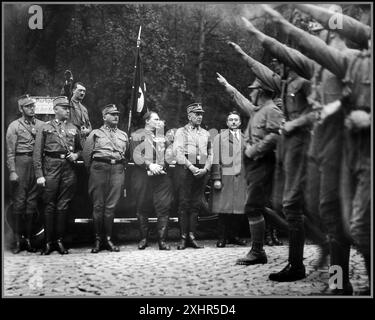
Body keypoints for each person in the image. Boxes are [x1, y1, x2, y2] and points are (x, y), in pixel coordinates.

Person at [227, 38, 313, 280]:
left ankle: (279, 256)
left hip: (288, 156)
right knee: (280, 207)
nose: (277, 66)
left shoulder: (296, 89)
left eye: (280, 62)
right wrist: (242, 55)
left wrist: (256, 150)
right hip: (274, 160)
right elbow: (260, 71)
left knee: (284, 208)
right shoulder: (278, 91)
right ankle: (294, 256)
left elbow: (279, 133)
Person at [216, 74, 284, 265]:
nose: (251, 92)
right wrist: (227, 85)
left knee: (256, 207)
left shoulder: (272, 110)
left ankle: (259, 250)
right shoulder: (257, 110)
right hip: (255, 167)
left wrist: (252, 151)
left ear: (261, 92)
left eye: (253, 89)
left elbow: (274, 136)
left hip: (265, 164)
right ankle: (260, 248)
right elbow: (239, 98)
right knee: (256, 207)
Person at [33, 96, 82, 255]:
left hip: (68, 168)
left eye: (68, 108)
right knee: (49, 205)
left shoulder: (74, 128)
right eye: (64, 108)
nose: (67, 110)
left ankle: (60, 241)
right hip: (51, 167)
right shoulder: (45, 127)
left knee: (63, 205)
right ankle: (48, 243)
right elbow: (37, 153)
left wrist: (76, 155)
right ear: (55, 110)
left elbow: (80, 149)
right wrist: (39, 174)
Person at [82, 104, 128, 253]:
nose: (116, 116)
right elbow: (86, 155)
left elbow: (124, 153)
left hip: (117, 170)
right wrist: (94, 170)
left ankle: (108, 239)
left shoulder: (123, 135)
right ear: (104, 117)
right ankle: (97, 240)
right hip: (99, 169)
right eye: (112, 114)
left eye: (117, 114)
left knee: (111, 207)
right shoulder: (95, 133)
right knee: (98, 206)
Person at [6, 94, 45, 253]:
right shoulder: (14, 126)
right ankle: (17, 241)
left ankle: (28, 240)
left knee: (31, 204)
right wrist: (13, 171)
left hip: (36, 166)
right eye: (28, 106)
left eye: (33, 106)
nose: (32, 108)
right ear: (21, 109)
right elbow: (9, 152)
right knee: (19, 204)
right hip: (21, 164)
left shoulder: (42, 125)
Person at [130, 111, 174, 250]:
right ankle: (143, 239)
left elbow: (170, 154)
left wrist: (162, 165)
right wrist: (149, 165)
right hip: (143, 176)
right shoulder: (137, 135)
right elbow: (135, 154)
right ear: (147, 121)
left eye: (159, 119)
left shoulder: (162, 137)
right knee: (142, 207)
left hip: (161, 177)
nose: (158, 121)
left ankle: (162, 240)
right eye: (155, 119)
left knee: (164, 207)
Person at [173, 103, 213, 250]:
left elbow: (210, 153)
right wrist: (191, 167)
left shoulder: (206, 133)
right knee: (184, 203)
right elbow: (178, 152)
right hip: (185, 170)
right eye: (196, 114)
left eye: (201, 114)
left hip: (201, 171)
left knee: (196, 204)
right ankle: (183, 238)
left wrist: (206, 168)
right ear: (189, 116)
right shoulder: (181, 132)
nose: (200, 116)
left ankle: (192, 236)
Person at [211, 111, 247, 248]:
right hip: (225, 177)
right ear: (227, 123)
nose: (233, 122)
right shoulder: (220, 138)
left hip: (242, 178)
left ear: (240, 122)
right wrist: (216, 178)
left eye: (236, 120)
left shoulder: (245, 138)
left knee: (238, 209)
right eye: (230, 119)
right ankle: (222, 238)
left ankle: (234, 236)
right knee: (224, 209)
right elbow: (215, 159)